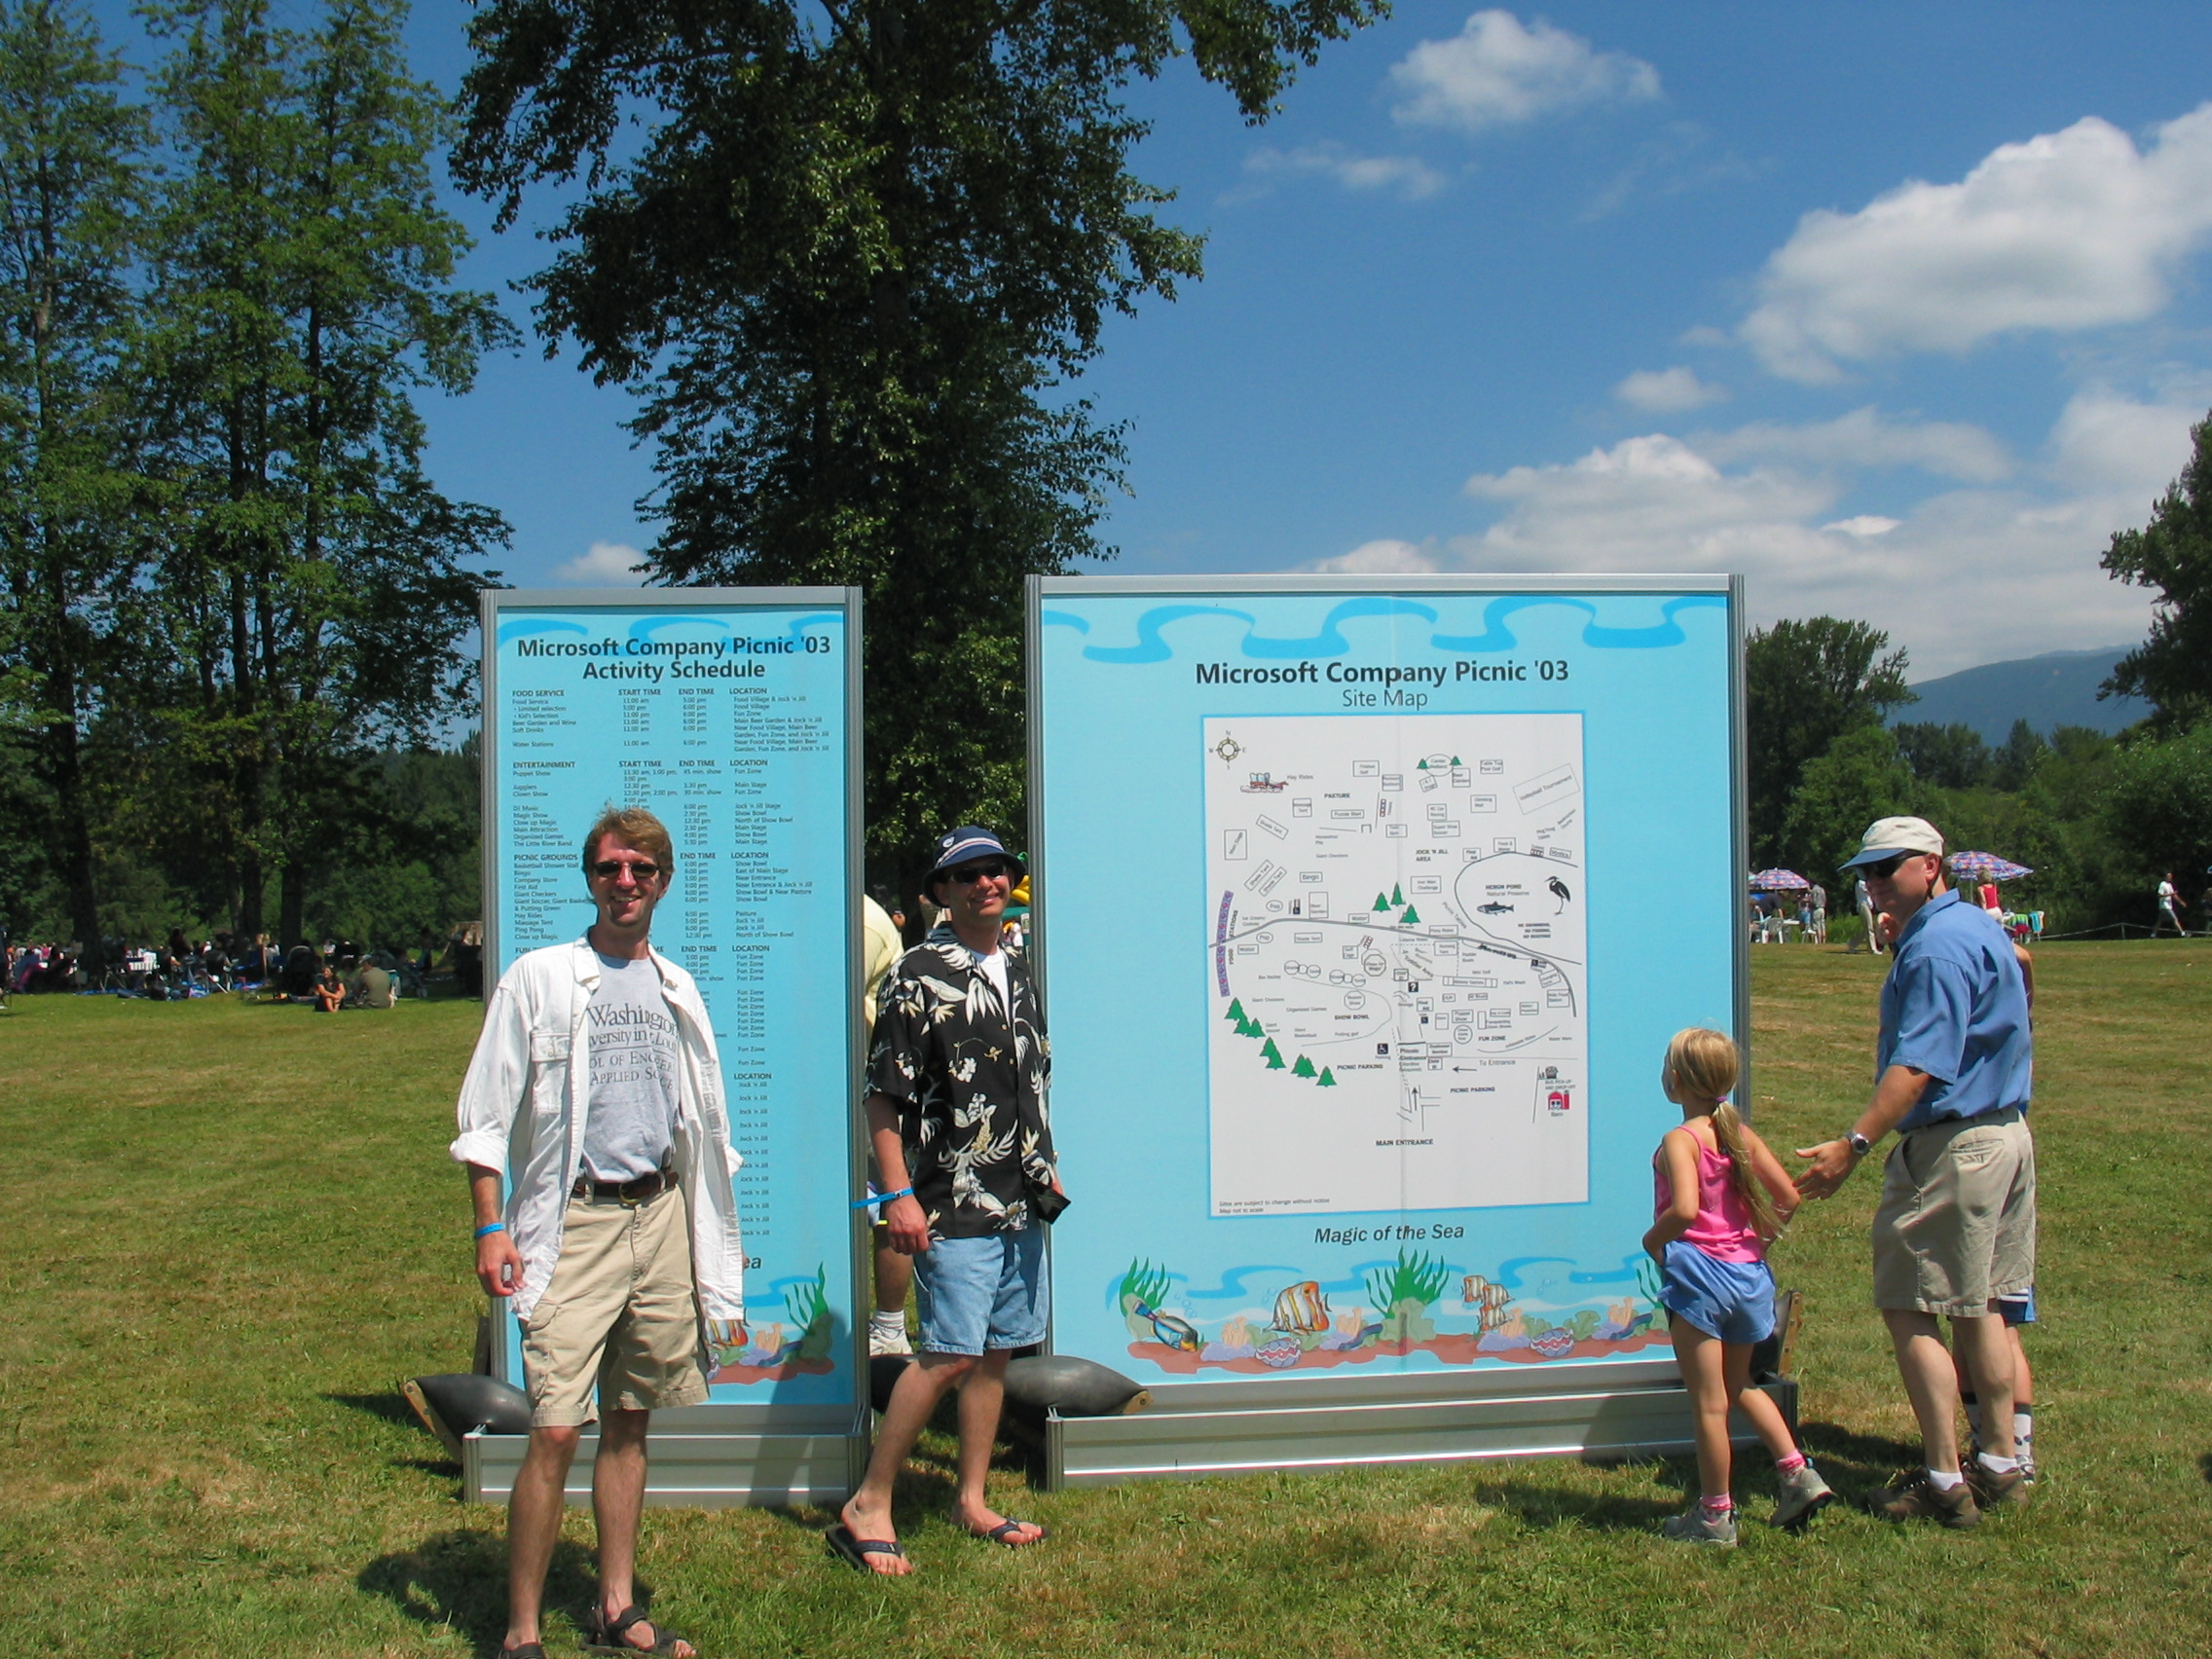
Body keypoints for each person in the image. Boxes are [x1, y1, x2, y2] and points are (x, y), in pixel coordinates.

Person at [451, 806, 746, 1659]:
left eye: (642, 870)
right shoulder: (539, 978)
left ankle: (616, 1606)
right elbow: (484, 1117)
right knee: (553, 1427)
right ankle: (521, 1631)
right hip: (573, 1222)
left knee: (630, 1418)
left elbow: (702, 1122)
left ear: (664, 882)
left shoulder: (677, 989)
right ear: (589, 878)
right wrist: (491, 1225)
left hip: (659, 1219)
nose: (626, 883)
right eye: (611, 868)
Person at [831, 827, 1061, 1576]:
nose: (985, 883)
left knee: (994, 1353)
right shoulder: (916, 974)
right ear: (942, 892)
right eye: (967, 875)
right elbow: (883, 1095)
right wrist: (897, 1194)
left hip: (1020, 1198)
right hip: (951, 1197)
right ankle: (869, 1503)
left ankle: (972, 1498)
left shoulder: (1017, 970)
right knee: (949, 1355)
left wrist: (1047, 1164)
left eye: (996, 871)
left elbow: (1030, 1081)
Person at [1797, 815, 2034, 1529]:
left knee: (1911, 1306)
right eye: (1865, 872)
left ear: (1931, 864)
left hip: (1954, 1146)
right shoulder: (1978, 927)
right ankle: (2001, 1463)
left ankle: (1942, 1478)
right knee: (1982, 1306)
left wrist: (1854, 1144)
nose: (1872, 883)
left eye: (1887, 867)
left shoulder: (1933, 948)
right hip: (2005, 1132)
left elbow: (1919, 1064)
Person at [1645, 1028, 1830, 1544]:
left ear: (1676, 1079)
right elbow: (1788, 1198)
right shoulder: (1739, 1135)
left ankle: (1714, 1516)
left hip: (1699, 1281)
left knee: (1709, 1403)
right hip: (1748, 1278)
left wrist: (1652, 1241)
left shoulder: (1680, 1141)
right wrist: (1756, 1245)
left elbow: (1684, 1209)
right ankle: (1797, 1473)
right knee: (1741, 1384)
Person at [860, 891, 913, 1356]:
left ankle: (891, 1326)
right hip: (840, 1083)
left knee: (888, 1205)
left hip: (872, 1088)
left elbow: (828, 1007)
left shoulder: (863, 922)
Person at [1855, 873, 1882, 953]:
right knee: (1869, 928)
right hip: (1864, 905)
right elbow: (1870, 891)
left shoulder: (1864, 883)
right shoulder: (1860, 882)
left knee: (1868, 928)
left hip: (1867, 906)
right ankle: (1872, 949)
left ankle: (1852, 943)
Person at [2154, 871, 2187, 938]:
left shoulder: (2169, 885)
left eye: (2170, 876)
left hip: (2168, 906)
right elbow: (2159, 895)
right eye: (2168, 876)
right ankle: (2183, 933)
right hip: (2164, 906)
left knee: (2159, 921)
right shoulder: (2162, 884)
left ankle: (2153, 934)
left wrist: (2181, 902)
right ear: (2165, 877)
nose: (2170, 878)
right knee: (2175, 919)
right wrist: (2170, 894)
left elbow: (2174, 895)